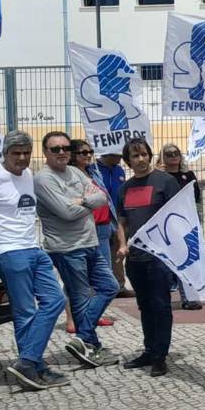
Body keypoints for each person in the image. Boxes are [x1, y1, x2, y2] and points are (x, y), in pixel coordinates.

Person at [0, 131, 68, 389]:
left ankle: (28, 362)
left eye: (26, 152)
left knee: (55, 300)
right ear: (5, 153)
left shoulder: (29, 175)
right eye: (15, 153)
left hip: (33, 248)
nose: (21, 158)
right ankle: (35, 367)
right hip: (6, 251)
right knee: (26, 311)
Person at [34, 131, 120, 368]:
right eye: (55, 149)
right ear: (46, 153)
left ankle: (82, 338)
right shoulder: (44, 179)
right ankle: (92, 347)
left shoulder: (75, 172)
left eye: (65, 147)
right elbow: (66, 213)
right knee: (81, 298)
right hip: (67, 248)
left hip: (90, 242)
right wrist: (86, 202)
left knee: (110, 286)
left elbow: (102, 197)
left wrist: (80, 202)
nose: (62, 152)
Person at [118, 138, 181, 378]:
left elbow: (177, 217)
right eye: (135, 156)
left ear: (150, 155)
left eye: (144, 154)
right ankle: (149, 349)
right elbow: (122, 221)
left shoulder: (166, 182)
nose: (141, 159)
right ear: (129, 161)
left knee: (161, 306)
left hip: (159, 257)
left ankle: (160, 356)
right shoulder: (125, 188)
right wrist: (123, 245)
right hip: (135, 258)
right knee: (144, 306)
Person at [69, 139, 122, 331]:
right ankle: (73, 319)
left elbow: (105, 198)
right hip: (85, 228)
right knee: (80, 275)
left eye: (90, 151)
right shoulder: (70, 175)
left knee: (103, 274)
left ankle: (93, 314)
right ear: (73, 155)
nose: (88, 155)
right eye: (83, 152)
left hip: (104, 226)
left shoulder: (93, 172)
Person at [159, 143, 203, 310]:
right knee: (166, 262)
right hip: (167, 224)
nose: (173, 156)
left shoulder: (188, 175)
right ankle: (162, 297)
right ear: (163, 157)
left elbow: (196, 195)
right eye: (169, 154)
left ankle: (189, 298)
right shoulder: (160, 176)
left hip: (186, 222)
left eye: (176, 153)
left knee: (187, 259)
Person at [92, 150, 130, 297]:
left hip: (118, 217)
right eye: (118, 156)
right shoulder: (94, 169)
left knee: (119, 252)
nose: (121, 158)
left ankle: (119, 286)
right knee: (102, 254)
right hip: (102, 217)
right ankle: (102, 287)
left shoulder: (119, 170)